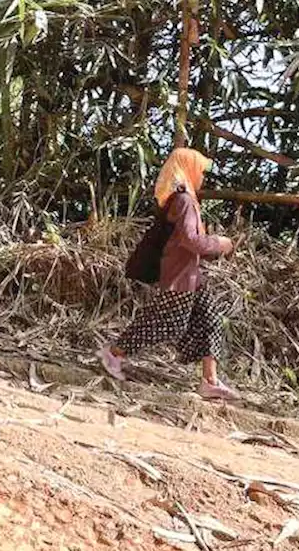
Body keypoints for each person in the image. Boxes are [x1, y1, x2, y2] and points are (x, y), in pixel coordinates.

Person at [98, 147, 241, 400]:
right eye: (200, 171)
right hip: (180, 276)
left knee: (210, 321)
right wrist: (219, 243)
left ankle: (210, 380)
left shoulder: (184, 199)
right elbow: (190, 240)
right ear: (188, 169)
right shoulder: (184, 200)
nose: (202, 177)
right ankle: (114, 353)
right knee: (167, 322)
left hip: (192, 276)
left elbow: (190, 242)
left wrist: (213, 247)